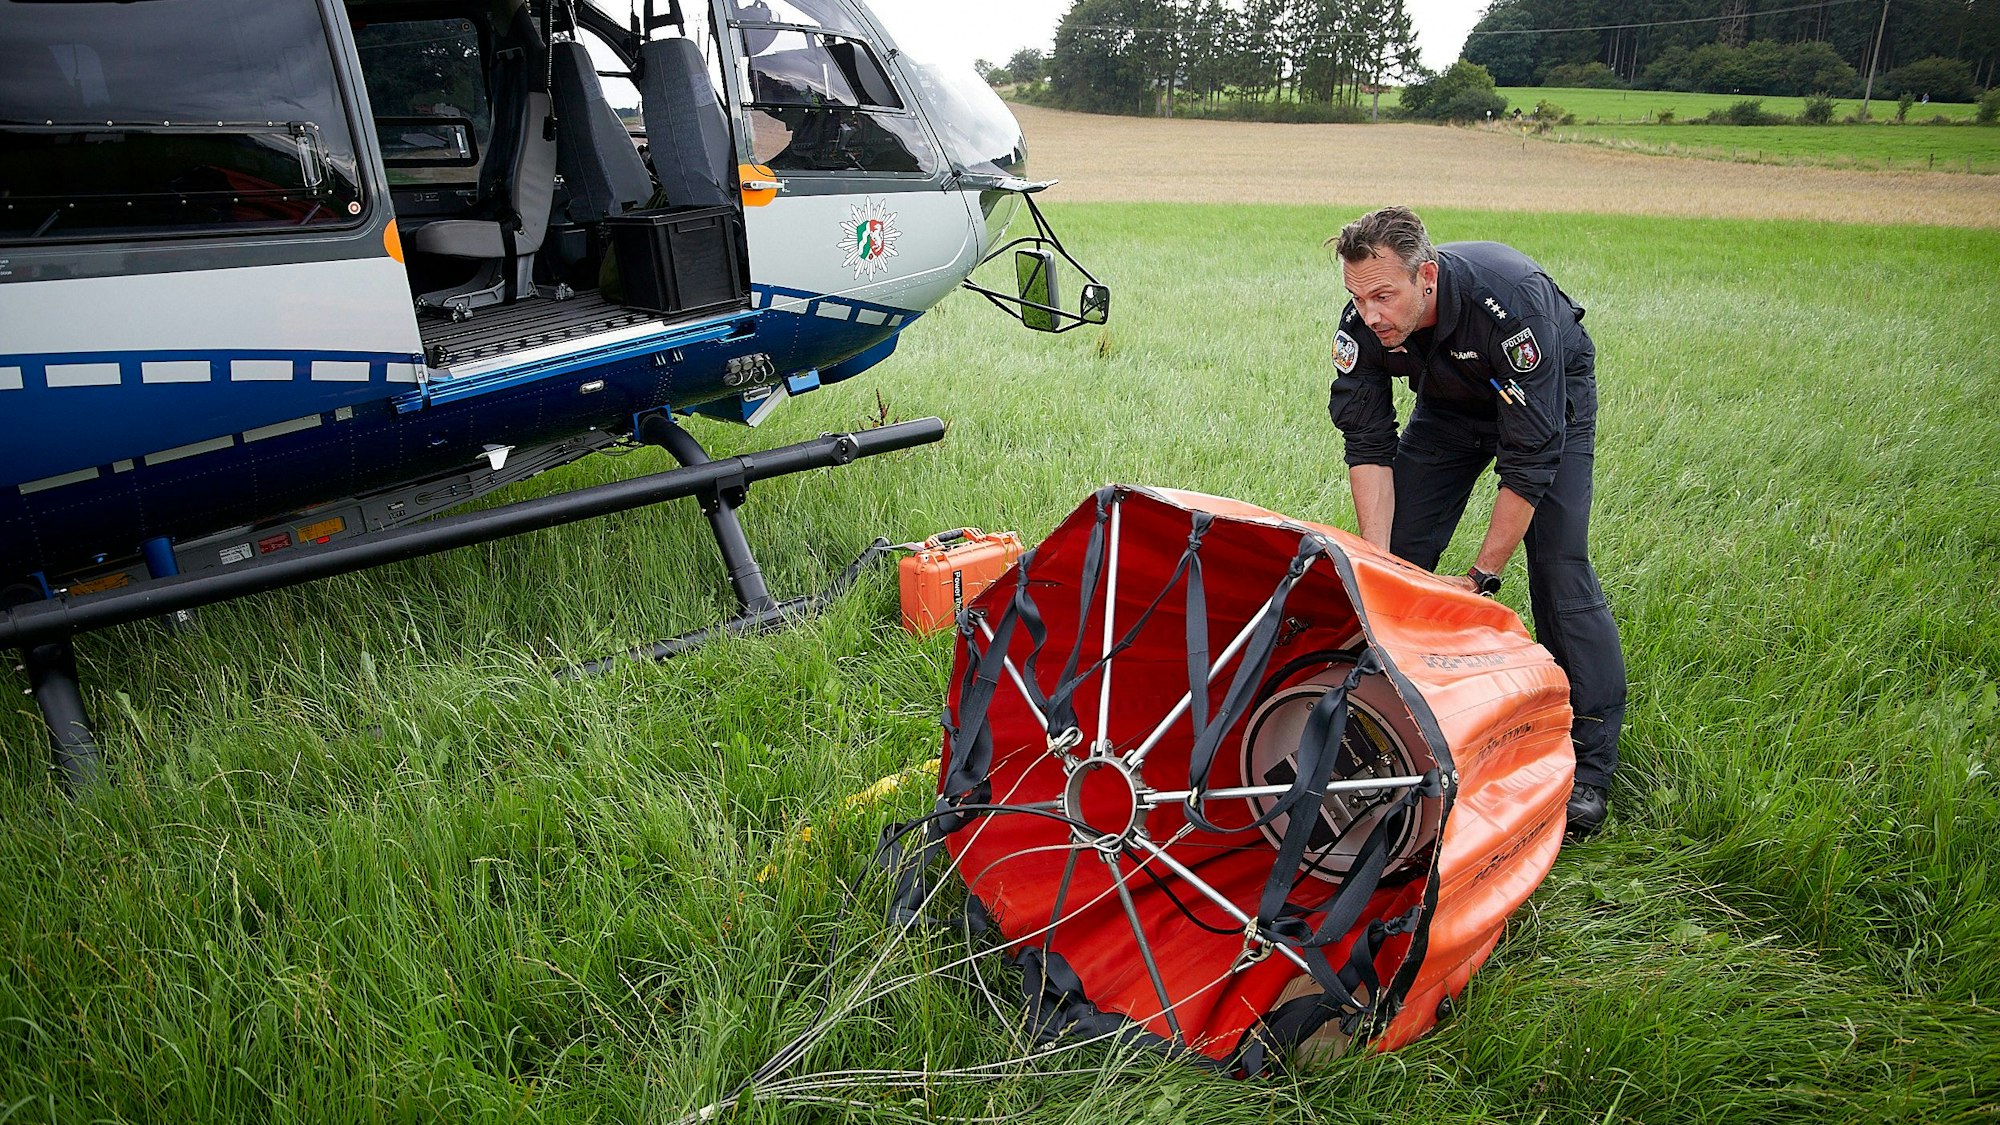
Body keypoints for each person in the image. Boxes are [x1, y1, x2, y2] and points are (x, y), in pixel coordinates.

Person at [1324, 205, 1625, 838]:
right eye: (1359, 296)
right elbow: (1368, 442)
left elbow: (1532, 455)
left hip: (1550, 397)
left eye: (1384, 295)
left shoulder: (1507, 302)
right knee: (1393, 563)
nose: (1370, 312)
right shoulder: (1364, 322)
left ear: (1426, 276)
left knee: (1558, 568)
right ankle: (1387, 728)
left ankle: (1591, 770)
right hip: (1452, 403)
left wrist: (1482, 575)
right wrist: (1381, 562)